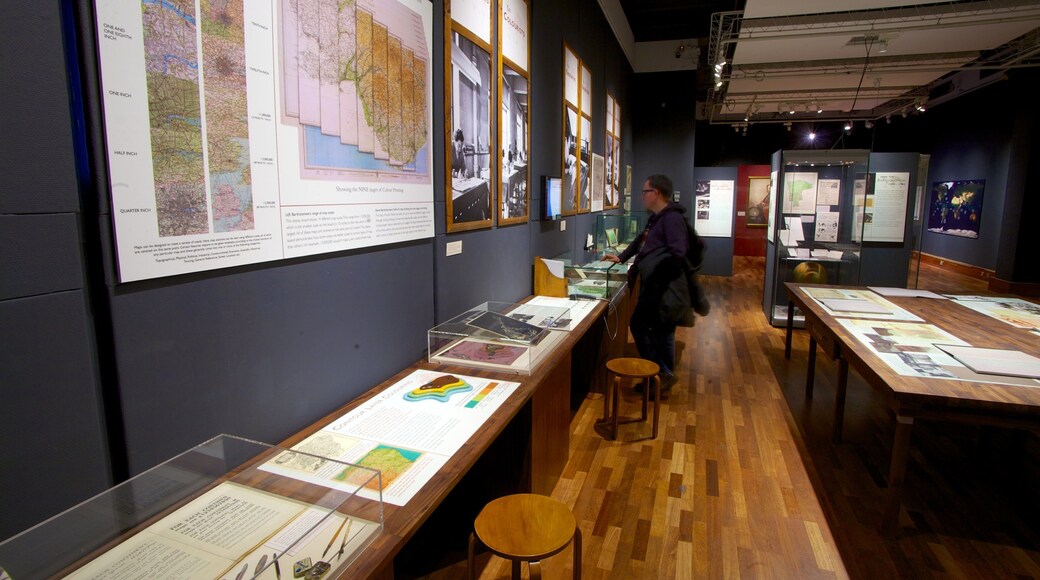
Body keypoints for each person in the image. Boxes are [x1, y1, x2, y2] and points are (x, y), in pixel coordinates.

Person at [604, 174, 692, 395]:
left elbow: (678, 254)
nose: (642, 196)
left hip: (662, 289)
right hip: (655, 287)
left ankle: (661, 376)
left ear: (658, 194)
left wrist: (657, 277)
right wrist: (622, 257)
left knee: (650, 328)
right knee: (655, 330)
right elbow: (641, 241)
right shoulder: (657, 217)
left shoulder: (671, 219)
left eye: (646, 192)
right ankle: (659, 379)